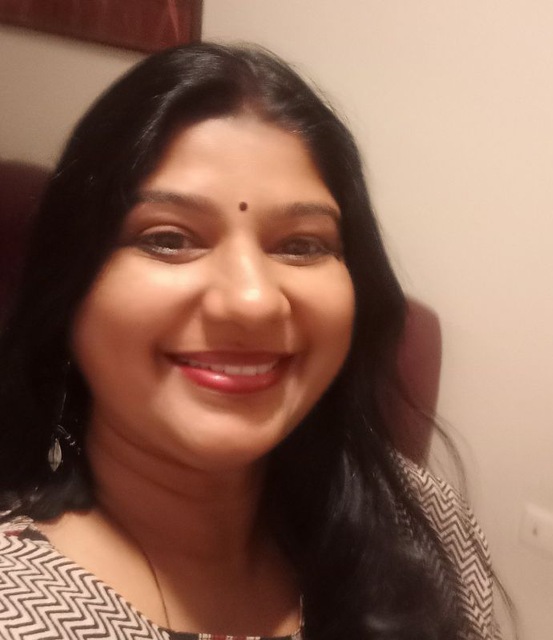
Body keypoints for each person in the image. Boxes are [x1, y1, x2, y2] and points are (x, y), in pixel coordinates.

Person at [0, 43, 502, 640]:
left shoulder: (425, 526)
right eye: (168, 239)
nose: (253, 300)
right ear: (69, 285)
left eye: (302, 245)